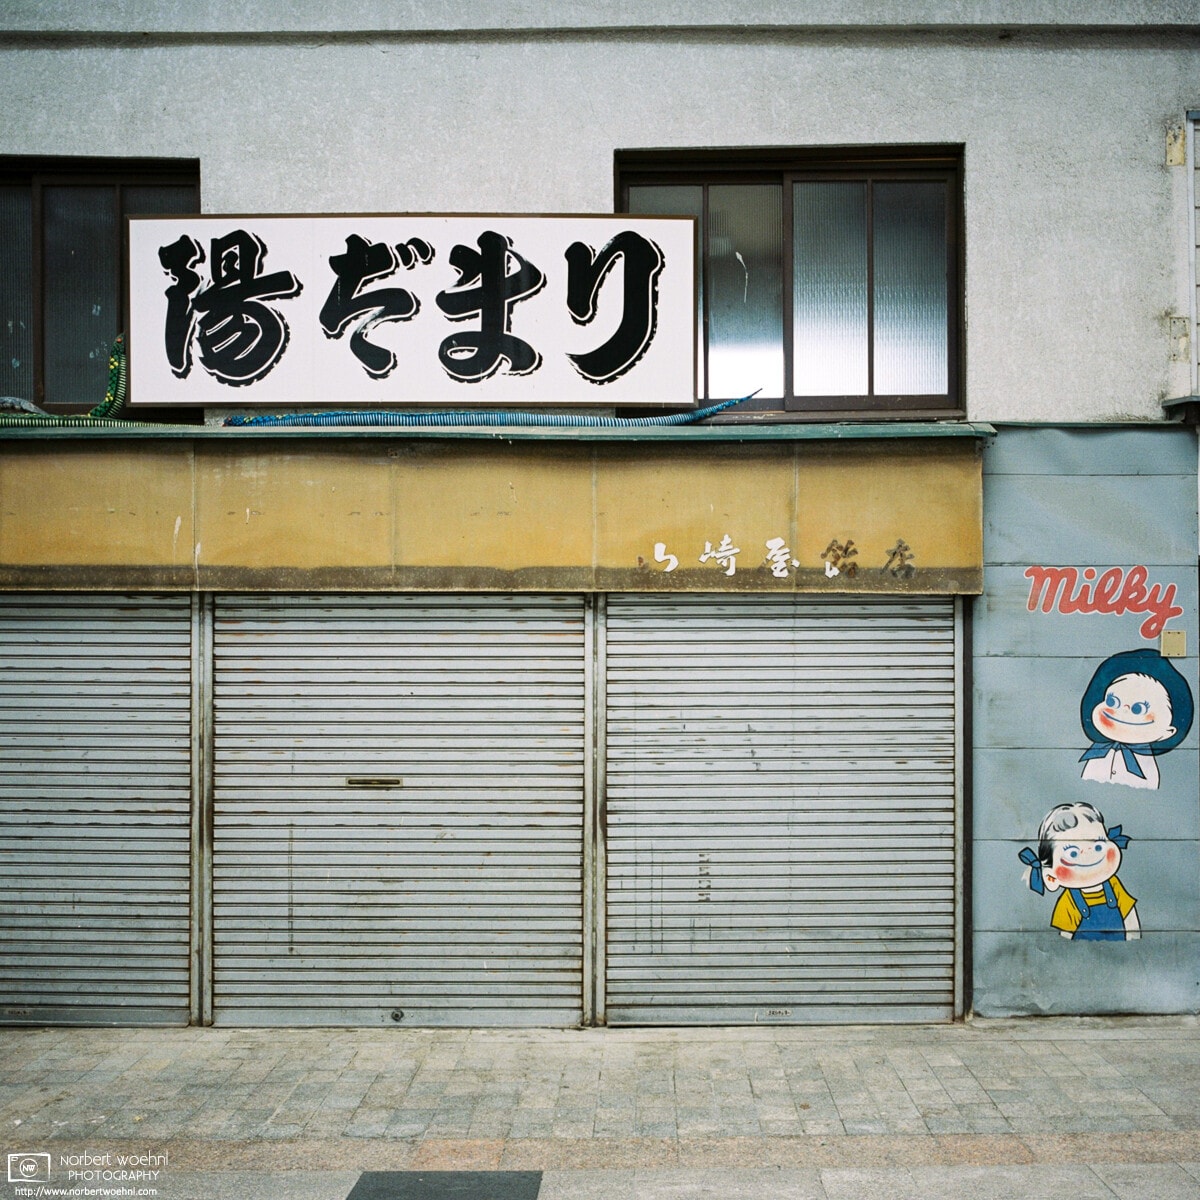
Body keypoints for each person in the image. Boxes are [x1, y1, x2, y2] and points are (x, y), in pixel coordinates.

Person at [1019, 801, 1139, 940]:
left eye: (1098, 846)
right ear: (1051, 877)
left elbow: (1130, 918)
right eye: (1073, 854)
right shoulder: (1068, 901)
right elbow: (1065, 939)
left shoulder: (1114, 885)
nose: (1089, 856)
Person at [1079, 648, 1193, 789]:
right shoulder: (1097, 755)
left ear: (1168, 732)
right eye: (1112, 701)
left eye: (1138, 709)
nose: (1124, 710)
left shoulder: (1144, 766)